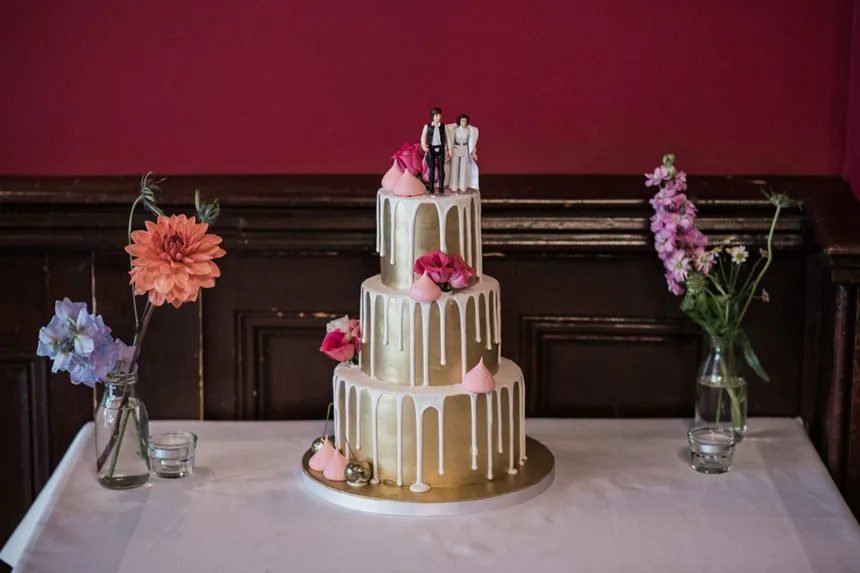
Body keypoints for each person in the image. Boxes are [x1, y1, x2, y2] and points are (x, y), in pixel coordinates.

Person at [420, 107, 450, 195]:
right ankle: (431, 188)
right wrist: (423, 145)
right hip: (431, 149)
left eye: (440, 115)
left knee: (441, 169)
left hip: (441, 148)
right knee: (431, 169)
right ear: (433, 116)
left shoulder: (444, 126)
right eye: (436, 115)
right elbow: (423, 137)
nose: (438, 117)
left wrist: (448, 149)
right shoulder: (427, 126)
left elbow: (447, 138)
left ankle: (441, 187)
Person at [446, 114, 479, 192]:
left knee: (463, 168)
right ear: (459, 122)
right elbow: (450, 140)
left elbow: (471, 143)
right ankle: (453, 185)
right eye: (462, 121)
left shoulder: (468, 131)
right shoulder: (455, 130)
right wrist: (448, 150)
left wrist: (473, 153)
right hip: (455, 149)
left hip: (465, 149)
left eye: (465, 121)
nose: (464, 122)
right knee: (454, 168)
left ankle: (462, 185)